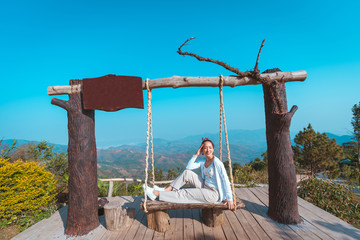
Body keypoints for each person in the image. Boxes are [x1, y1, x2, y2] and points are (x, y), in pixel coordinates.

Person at [143, 138, 234, 210]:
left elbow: (225, 180)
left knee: (185, 193)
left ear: (213, 149)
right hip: (205, 186)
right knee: (187, 173)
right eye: (205, 148)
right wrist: (196, 154)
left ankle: (157, 194)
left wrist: (229, 199)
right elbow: (188, 167)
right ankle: (166, 190)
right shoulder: (203, 160)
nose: (208, 150)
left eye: (210, 147)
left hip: (213, 193)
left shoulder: (217, 163)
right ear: (202, 149)